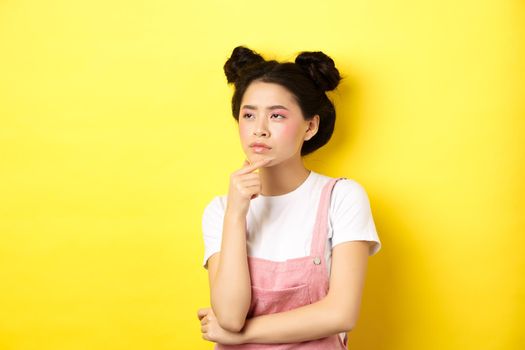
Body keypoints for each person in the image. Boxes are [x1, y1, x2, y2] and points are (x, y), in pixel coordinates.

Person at [197, 46, 382, 349]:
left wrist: (241, 334)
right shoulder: (221, 210)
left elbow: (341, 314)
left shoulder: (342, 197)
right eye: (248, 115)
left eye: (277, 115)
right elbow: (230, 316)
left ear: (310, 126)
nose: (260, 130)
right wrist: (236, 215)